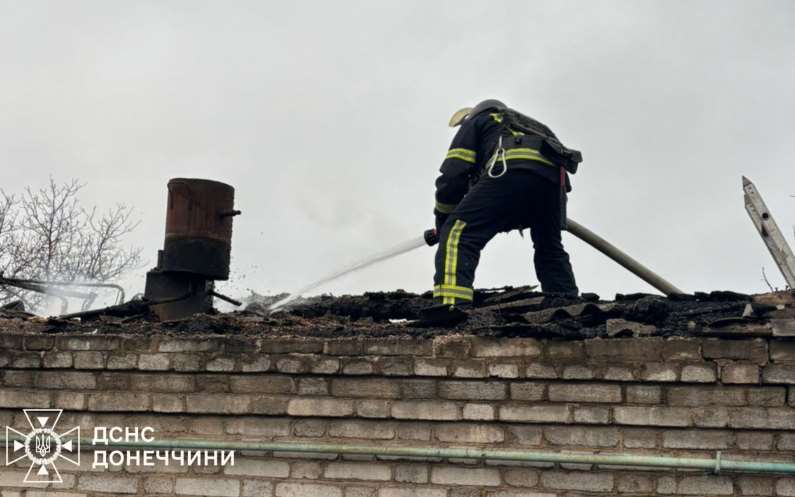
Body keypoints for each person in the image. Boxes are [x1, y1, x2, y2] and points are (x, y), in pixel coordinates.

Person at [428, 99, 581, 317]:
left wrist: (443, 221)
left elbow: (453, 176)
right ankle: (566, 303)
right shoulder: (532, 128)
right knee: (549, 245)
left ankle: (450, 307)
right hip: (553, 187)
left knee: (457, 233)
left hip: (510, 170)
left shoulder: (482, 119)